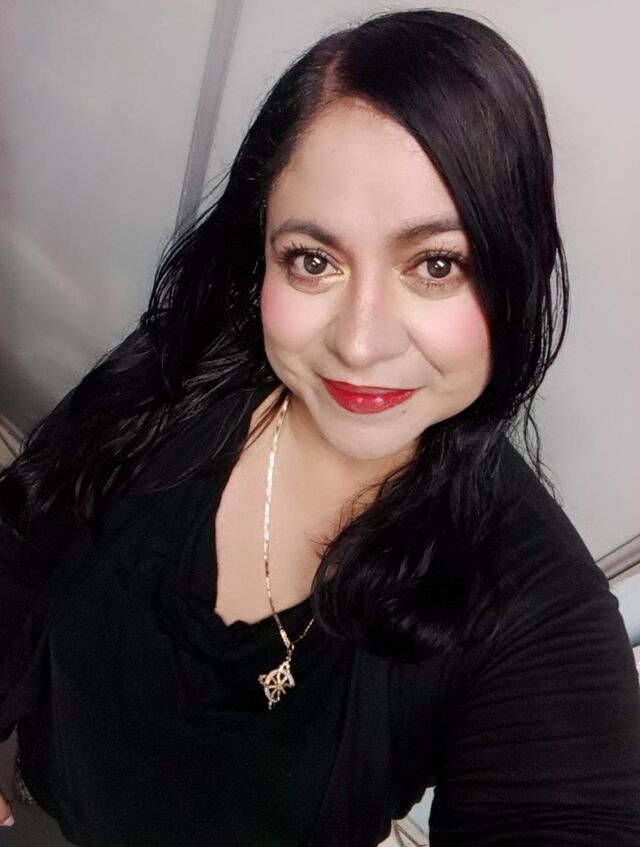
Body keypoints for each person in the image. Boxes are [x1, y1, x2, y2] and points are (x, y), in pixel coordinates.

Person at [1, 7, 639, 846]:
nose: (359, 342)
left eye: (436, 264)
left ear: (514, 273)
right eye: (314, 259)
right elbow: (27, 528)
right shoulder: (191, 363)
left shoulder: (538, 618)